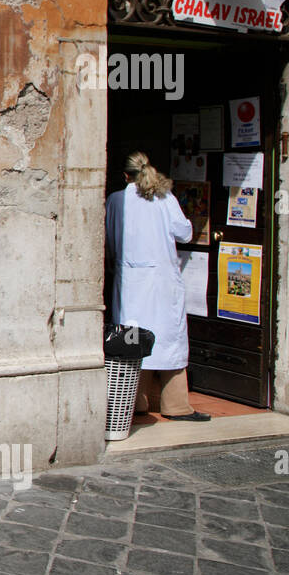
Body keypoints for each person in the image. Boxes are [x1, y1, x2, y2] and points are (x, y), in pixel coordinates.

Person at [105, 152, 210, 421]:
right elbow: (185, 232)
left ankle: (135, 401)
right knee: (168, 338)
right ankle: (175, 405)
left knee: (131, 337)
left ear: (124, 176)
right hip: (162, 282)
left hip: (129, 280)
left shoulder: (116, 200)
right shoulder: (164, 198)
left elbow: (108, 238)